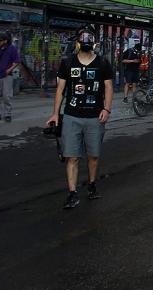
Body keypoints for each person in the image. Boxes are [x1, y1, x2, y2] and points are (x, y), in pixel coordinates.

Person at [46, 26, 113, 209]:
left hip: (95, 117)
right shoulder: (68, 63)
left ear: (95, 42)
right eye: (83, 37)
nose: (86, 40)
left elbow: (108, 87)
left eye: (89, 37)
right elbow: (60, 90)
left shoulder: (103, 63)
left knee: (93, 156)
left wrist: (107, 109)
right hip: (71, 116)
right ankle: (72, 193)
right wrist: (55, 113)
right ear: (77, 41)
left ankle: (91, 184)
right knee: (72, 157)